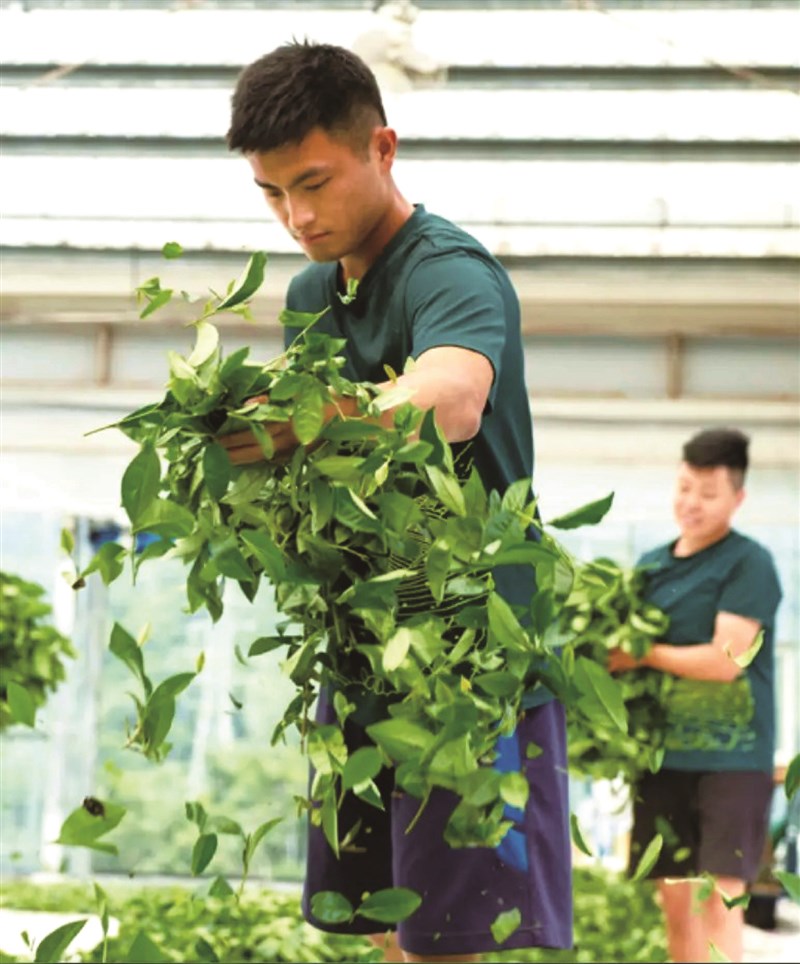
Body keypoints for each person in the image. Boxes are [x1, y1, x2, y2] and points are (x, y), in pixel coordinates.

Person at [219, 40, 572, 964]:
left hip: (467, 647)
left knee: (451, 938)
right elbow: (317, 468)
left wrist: (306, 417)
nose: (297, 216)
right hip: (366, 641)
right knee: (384, 921)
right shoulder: (311, 291)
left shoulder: (444, 269)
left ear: (382, 147)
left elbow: (450, 400)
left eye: (314, 183)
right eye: (272, 193)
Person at [608, 427, 783, 963]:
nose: (692, 503)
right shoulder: (652, 566)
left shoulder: (747, 563)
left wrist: (640, 655)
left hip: (731, 760)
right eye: (685, 488)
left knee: (718, 900)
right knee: (676, 903)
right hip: (663, 757)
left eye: (708, 493)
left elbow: (726, 661)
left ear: (737, 498)